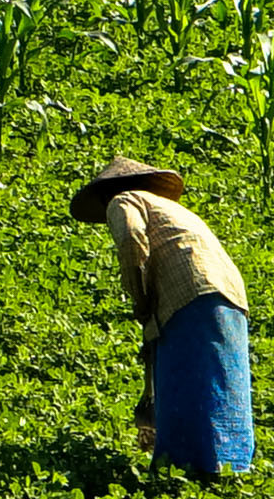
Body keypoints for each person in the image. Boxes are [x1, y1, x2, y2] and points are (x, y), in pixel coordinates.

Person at [76, 158, 253, 478]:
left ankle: (186, 468)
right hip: (229, 291)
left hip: (188, 289)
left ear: (105, 196)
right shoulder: (171, 210)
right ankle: (230, 467)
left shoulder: (123, 200)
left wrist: (138, 296)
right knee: (221, 374)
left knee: (185, 375)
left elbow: (131, 240)